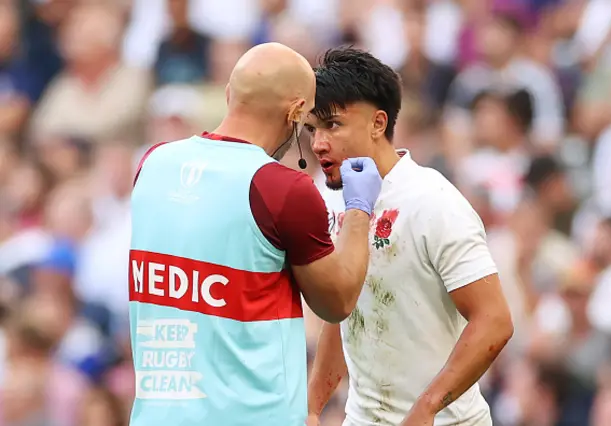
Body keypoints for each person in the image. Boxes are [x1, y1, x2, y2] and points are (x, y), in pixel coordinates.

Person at [128, 43, 382, 426]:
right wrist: (359, 210)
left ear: (230, 95)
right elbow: (338, 301)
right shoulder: (280, 187)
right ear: (296, 111)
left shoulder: (153, 163)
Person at [305, 47, 514, 426]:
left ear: (378, 123)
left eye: (332, 125)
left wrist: (427, 407)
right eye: (312, 129)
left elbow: (495, 320)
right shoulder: (331, 202)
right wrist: (312, 407)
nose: (318, 142)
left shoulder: (433, 202)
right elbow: (340, 314)